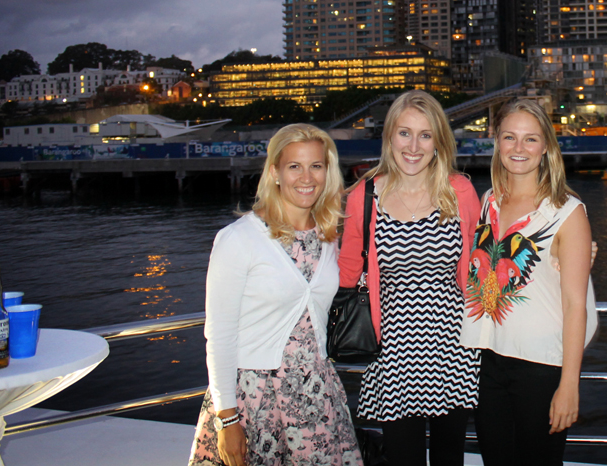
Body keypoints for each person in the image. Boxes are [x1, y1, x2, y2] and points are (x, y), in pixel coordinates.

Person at [189, 124, 363, 466]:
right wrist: (227, 419)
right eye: (294, 166)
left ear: (327, 172)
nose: (306, 177)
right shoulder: (238, 239)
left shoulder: (328, 237)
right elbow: (220, 336)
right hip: (255, 398)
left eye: (316, 165)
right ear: (275, 172)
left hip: (316, 393)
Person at [338, 90, 481, 466]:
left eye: (425, 135)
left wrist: (563, 254)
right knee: (404, 457)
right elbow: (347, 271)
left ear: (439, 142)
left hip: (456, 347)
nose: (413, 146)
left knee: (451, 456)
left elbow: (486, 257)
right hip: (394, 351)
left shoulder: (459, 191)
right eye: (404, 133)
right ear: (389, 138)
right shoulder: (365, 196)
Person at [460, 99, 598, 466]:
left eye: (530, 139)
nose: (518, 148)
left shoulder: (567, 212)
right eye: (509, 137)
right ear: (497, 143)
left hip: (541, 366)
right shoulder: (488, 201)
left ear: (546, 148)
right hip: (488, 360)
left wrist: (569, 385)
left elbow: (575, 305)